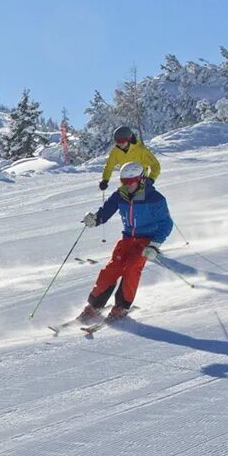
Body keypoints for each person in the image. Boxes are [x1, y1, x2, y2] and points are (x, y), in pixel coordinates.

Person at [77, 161, 174, 322]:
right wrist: (95, 219)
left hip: (146, 242)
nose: (127, 185)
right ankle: (94, 305)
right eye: (124, 181)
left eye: (130, 181)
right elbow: (106, 211)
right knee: (111, 269)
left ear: (141, 179)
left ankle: (121, 307)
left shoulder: (154, 198)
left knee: (131, 269)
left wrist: (155, 245)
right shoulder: (120, 195)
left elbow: (166, 224)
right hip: (127, 239)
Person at [100, 125, 162, 191]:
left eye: (122, 141)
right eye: (117, 142)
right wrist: (105, 180)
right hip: (125, 184)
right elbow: (109, 166)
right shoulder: (116, 151)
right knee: (122, 200)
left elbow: (156, 165)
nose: (119, 144)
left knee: (138, 200)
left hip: (140, 183)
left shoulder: (141, 150)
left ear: (129, 139)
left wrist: (151, 179)